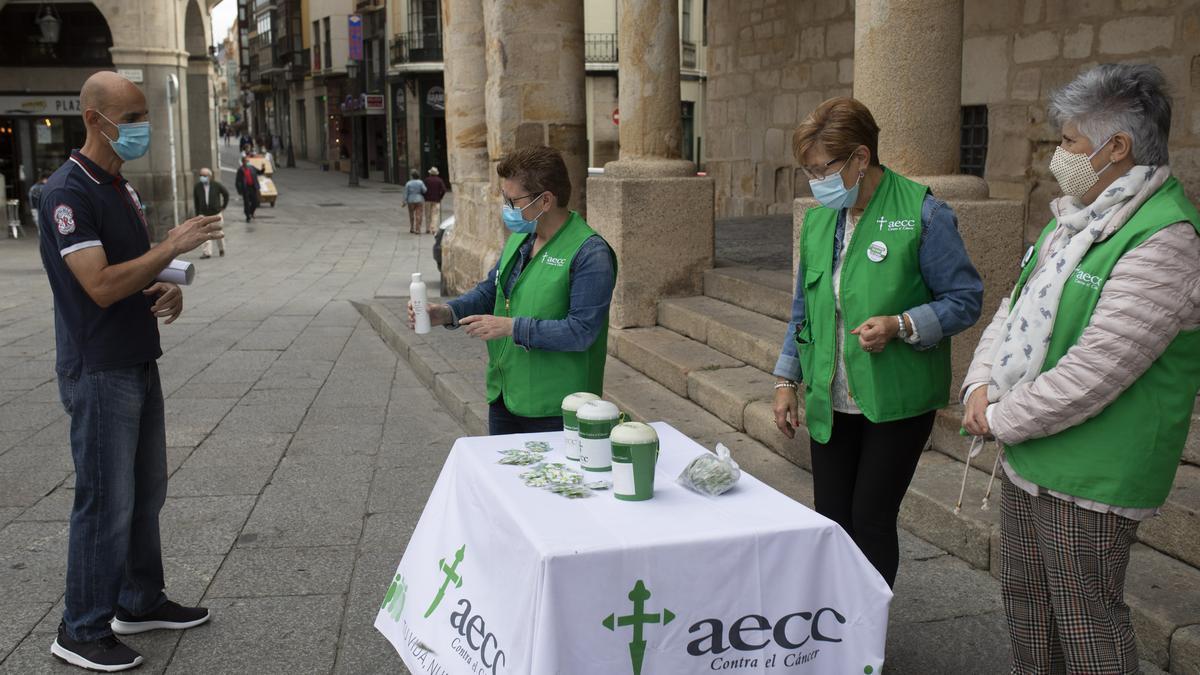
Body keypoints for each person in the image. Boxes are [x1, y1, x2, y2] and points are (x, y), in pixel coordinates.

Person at [960, 64, 1200, 674]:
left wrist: (998, 417)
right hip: (1030, 452)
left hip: (1094, 474)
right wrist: (980, 382)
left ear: (1115, 147)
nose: (1058, 154)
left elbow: (1097, 370)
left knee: (1087, 625)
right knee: (1027, 607)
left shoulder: (1165, 237)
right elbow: (1015, 305)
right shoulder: (1075, 217)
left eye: (1069, 141)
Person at [37, 71, 223, 672]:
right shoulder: (68, 192)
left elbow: (129, 270)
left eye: (145, 115)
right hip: (99, 366)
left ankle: (139, 600)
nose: (144, 127)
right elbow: (97, 283)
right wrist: (171, 247)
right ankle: (81, 629)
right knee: (105, 500)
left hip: (136, 354)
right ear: (96, 120)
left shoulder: (118, 186)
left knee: (145, 492)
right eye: (134, 118)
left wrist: (165, 285)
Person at [772, 97, 983, 588]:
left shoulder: (925, 213)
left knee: (870, 519)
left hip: (896, 398)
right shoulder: (820, 220)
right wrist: (786, 379)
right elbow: (805, 308)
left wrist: (902, 323)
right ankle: (836, 616)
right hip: (831, 395)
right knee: (831, 516)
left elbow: (965, 299)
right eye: (807, 171)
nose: (815, 181)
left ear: (861, 157)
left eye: (822, 169)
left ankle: (868, 622)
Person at [410, 146, 617, 435]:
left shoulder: (590, 253)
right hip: (505, 396)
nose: (506, 207)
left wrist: (511, 327)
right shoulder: (521, 239)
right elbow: (490, 292)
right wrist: (445, 312)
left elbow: (581, 331)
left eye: (512, 200)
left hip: (559, 408)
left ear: (545, 200)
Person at [193, 167, 229, 258]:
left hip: (215, 213)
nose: (202, 177)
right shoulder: (197, 187)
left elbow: (226, 194)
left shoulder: (216, 185)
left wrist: (223, 206)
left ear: (209, 176)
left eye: (204, 175)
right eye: (201, 175)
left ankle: (221, 249)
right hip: (203, 214)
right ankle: (207, 253)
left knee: (218, 232)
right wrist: (197, 214)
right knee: (204, 234)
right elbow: (196, 201)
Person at [234, 156, 260, 222]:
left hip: (252, 187)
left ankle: (251, 212)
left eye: (247, 161)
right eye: (245, 161)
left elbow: (259, 172)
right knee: (247, 203)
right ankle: (248, 216)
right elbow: (238, 181)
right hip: (245, 188)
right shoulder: (240, 170)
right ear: (243, 162)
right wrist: (239, 190)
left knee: (255, 202)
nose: (246, 162)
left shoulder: (251, 168)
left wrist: (263, 169)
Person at [423, 166, 447, 234]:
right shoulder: (439, 180)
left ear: (430, 173)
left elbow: (423, 189)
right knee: (435, 215)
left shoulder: (426, 180)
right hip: (436, 200)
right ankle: (433, 229)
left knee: (428, 214)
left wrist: (424, 196)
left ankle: (428, 229)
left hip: (427, 199)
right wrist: (440, 197)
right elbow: (444, 190)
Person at [405, 169, 426, 234]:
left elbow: (406, 193)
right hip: (419, 200)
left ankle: (412, 228)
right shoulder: (420, 182)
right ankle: (418, 229)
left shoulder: (408, 183)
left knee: (411, 214)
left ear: (412, 176)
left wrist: (404, 201)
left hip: (410, 200)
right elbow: (424, 190)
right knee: (418, 214)